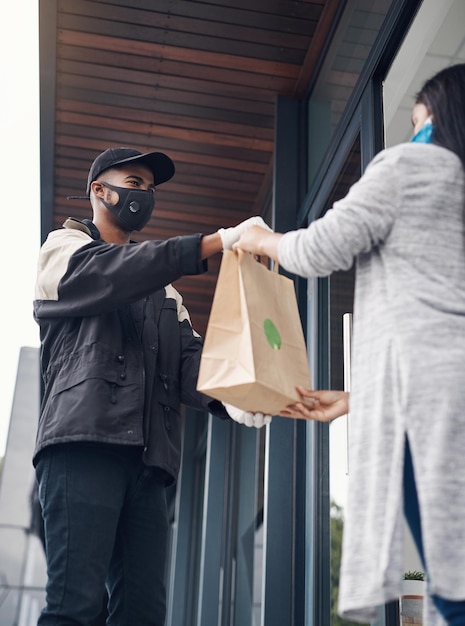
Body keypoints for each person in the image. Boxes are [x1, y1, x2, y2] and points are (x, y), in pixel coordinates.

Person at [234, 64, 465, 626]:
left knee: (440, 572)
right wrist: (360, 397)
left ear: (439, 117)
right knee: (435, 563)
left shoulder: (412, 165)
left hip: (426, 406)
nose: (414, 135)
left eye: (418, 122)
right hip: (435, 397)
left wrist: (259, 237)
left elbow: (320, 249)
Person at [33, 146, 272, 626]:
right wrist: (215, 242)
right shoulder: (61, 250)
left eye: (150, 188)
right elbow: (111, 274)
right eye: (134, 184)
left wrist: (240, 394)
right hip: (83, 445)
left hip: (147, 466)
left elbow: (190, 362)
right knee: (74, 608)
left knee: (142, 614)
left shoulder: (167, 294)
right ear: (99, 191)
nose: (144, 195)